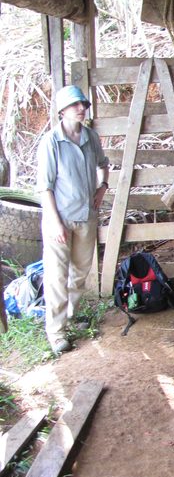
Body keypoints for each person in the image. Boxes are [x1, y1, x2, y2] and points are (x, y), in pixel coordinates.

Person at [36, 85, 109, 354]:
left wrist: (102, 188)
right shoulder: (51, 142)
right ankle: (56, 333)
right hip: (60, 219)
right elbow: (44, 187)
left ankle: (71, 315)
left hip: (86, 217)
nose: (82, 109)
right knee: (56, 276)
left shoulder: (91, 137)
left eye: (84, 104)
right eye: (75, 105)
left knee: (80, 271)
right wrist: (54, 222)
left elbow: (104, 164)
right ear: (62, 111)